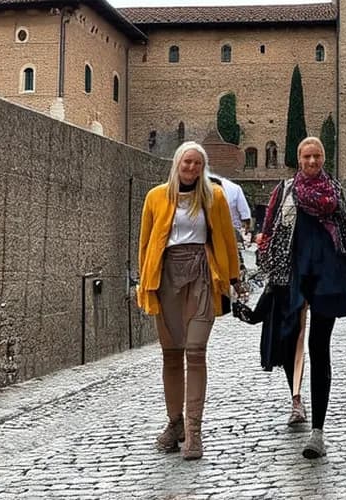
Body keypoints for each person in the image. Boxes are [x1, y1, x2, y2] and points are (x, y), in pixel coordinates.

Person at [255, 137, 346, 459]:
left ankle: (318, 430)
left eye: (317, 156)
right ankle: (295, 397)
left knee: (319, 347)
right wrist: (267, 262)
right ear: (299, 159)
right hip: (292, 276)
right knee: (289, 339)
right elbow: (269, 230)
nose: (312, 161)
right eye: (307, 156)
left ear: (323, 158)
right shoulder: (286, 191)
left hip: (328, 275)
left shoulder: (334, 191)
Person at [136, 141, 245, 460]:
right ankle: (175, 423)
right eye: (187, 163)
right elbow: (145, 243)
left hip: (201, 275)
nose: (192, 168)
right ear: (177, 164)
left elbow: (226, 239)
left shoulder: (216, 197)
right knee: (171, 355)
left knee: (196, 352)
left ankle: (195, 432)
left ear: (204, 166)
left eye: (198, 163)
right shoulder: (156, 197)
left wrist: (234, 280)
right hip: (166, 277)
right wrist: (145, 284)